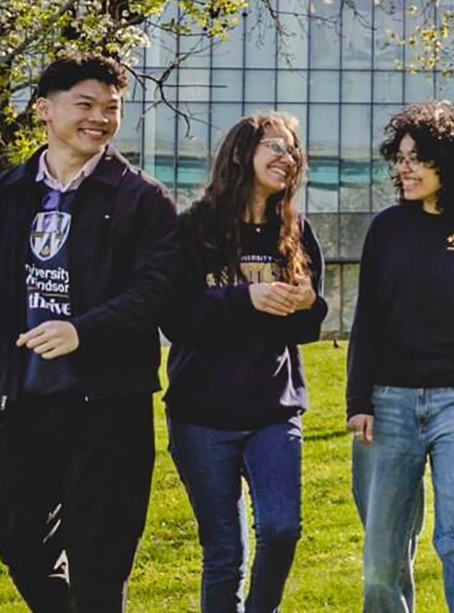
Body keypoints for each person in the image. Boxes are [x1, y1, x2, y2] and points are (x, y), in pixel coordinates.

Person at [0, 53, 180, 612]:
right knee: (16, 541)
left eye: (111, 108)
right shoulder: (2, 197)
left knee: (99, 564)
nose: (101, 118)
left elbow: (155, 292)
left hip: (109, 410)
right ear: (45, 109)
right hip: (25, 404)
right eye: (85, 105)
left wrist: (82, 331)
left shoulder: (143, 199)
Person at [347, 100, 454, 613]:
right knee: (381, 556)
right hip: (388, 401)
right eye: (399, 158)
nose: (404, 168)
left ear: (452, 162)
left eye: (417, 157)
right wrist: (359, 401)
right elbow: (367, 322)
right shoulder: (386, 229)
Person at [161, 113, 326, 613]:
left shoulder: (296, 231)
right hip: (201, 416)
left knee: (282, 529)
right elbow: (177, 320)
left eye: (293, 149)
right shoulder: (193, 228)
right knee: (224, 552)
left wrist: (307, 306)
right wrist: (246, 298)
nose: (287, 157)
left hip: (273, 411)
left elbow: (309, 326)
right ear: (240, 155)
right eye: (275, 146)